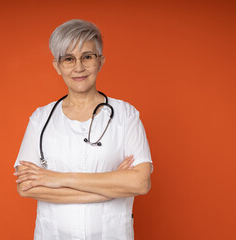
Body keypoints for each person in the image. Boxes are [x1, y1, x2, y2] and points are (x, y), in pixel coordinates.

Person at [13, 19, 153, 240]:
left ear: (101, 61)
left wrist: (58, 178)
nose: (78, 67)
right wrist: (106, 190)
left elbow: (140, 182)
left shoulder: (126, 115)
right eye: (69, 59)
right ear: (57, 67)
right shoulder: (40, 120)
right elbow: (26, 187)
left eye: (87, 56)